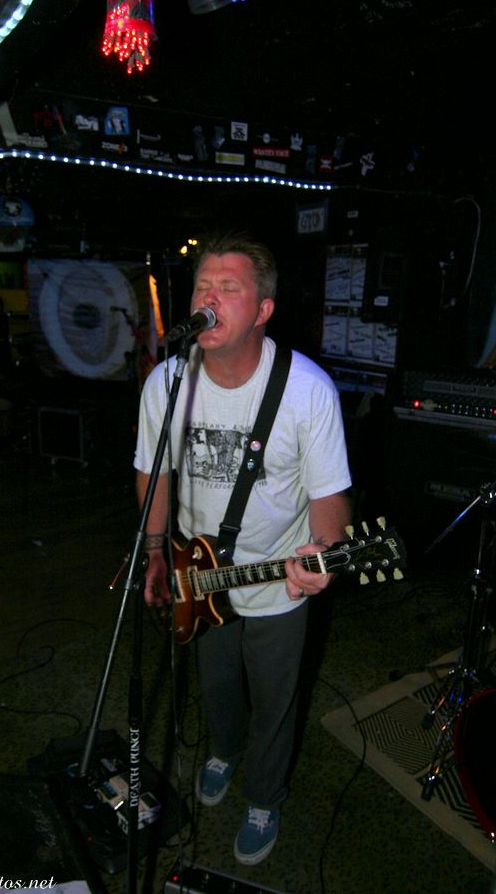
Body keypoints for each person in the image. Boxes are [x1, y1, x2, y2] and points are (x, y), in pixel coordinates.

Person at [134, 232, 352, 866]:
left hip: (277, 577)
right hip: (199, 573)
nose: (209, 297)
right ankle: (224, 751)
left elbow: (331, 496)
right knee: (218, 683)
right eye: (203, 286)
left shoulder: (308, 390)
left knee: (275, 701)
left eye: (228, 288)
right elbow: (155, 472)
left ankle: (264, 795)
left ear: (262, 310)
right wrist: (155, 551)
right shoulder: (167, 381)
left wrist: (323, 550)